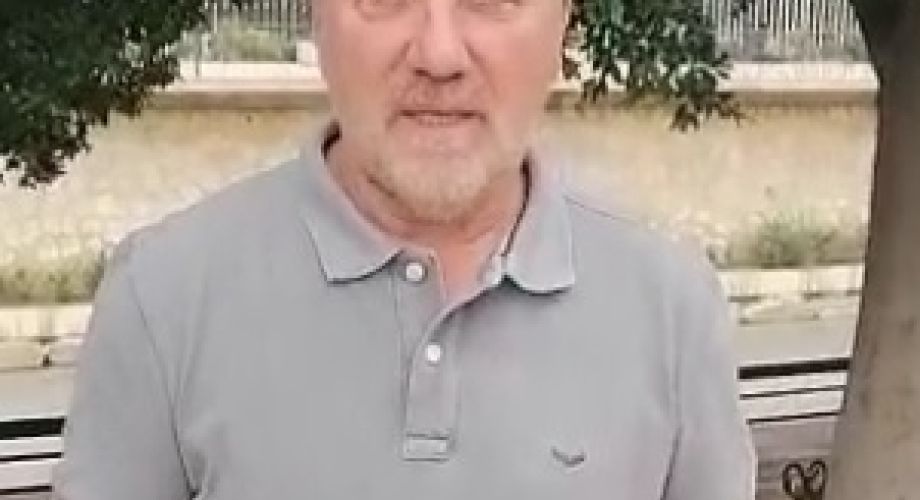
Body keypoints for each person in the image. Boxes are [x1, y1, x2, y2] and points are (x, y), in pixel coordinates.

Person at [53, 0, 755, 498]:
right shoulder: (163, 300)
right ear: (316, 16)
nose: (439, 55)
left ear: (564, 21)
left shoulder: (672, 311)